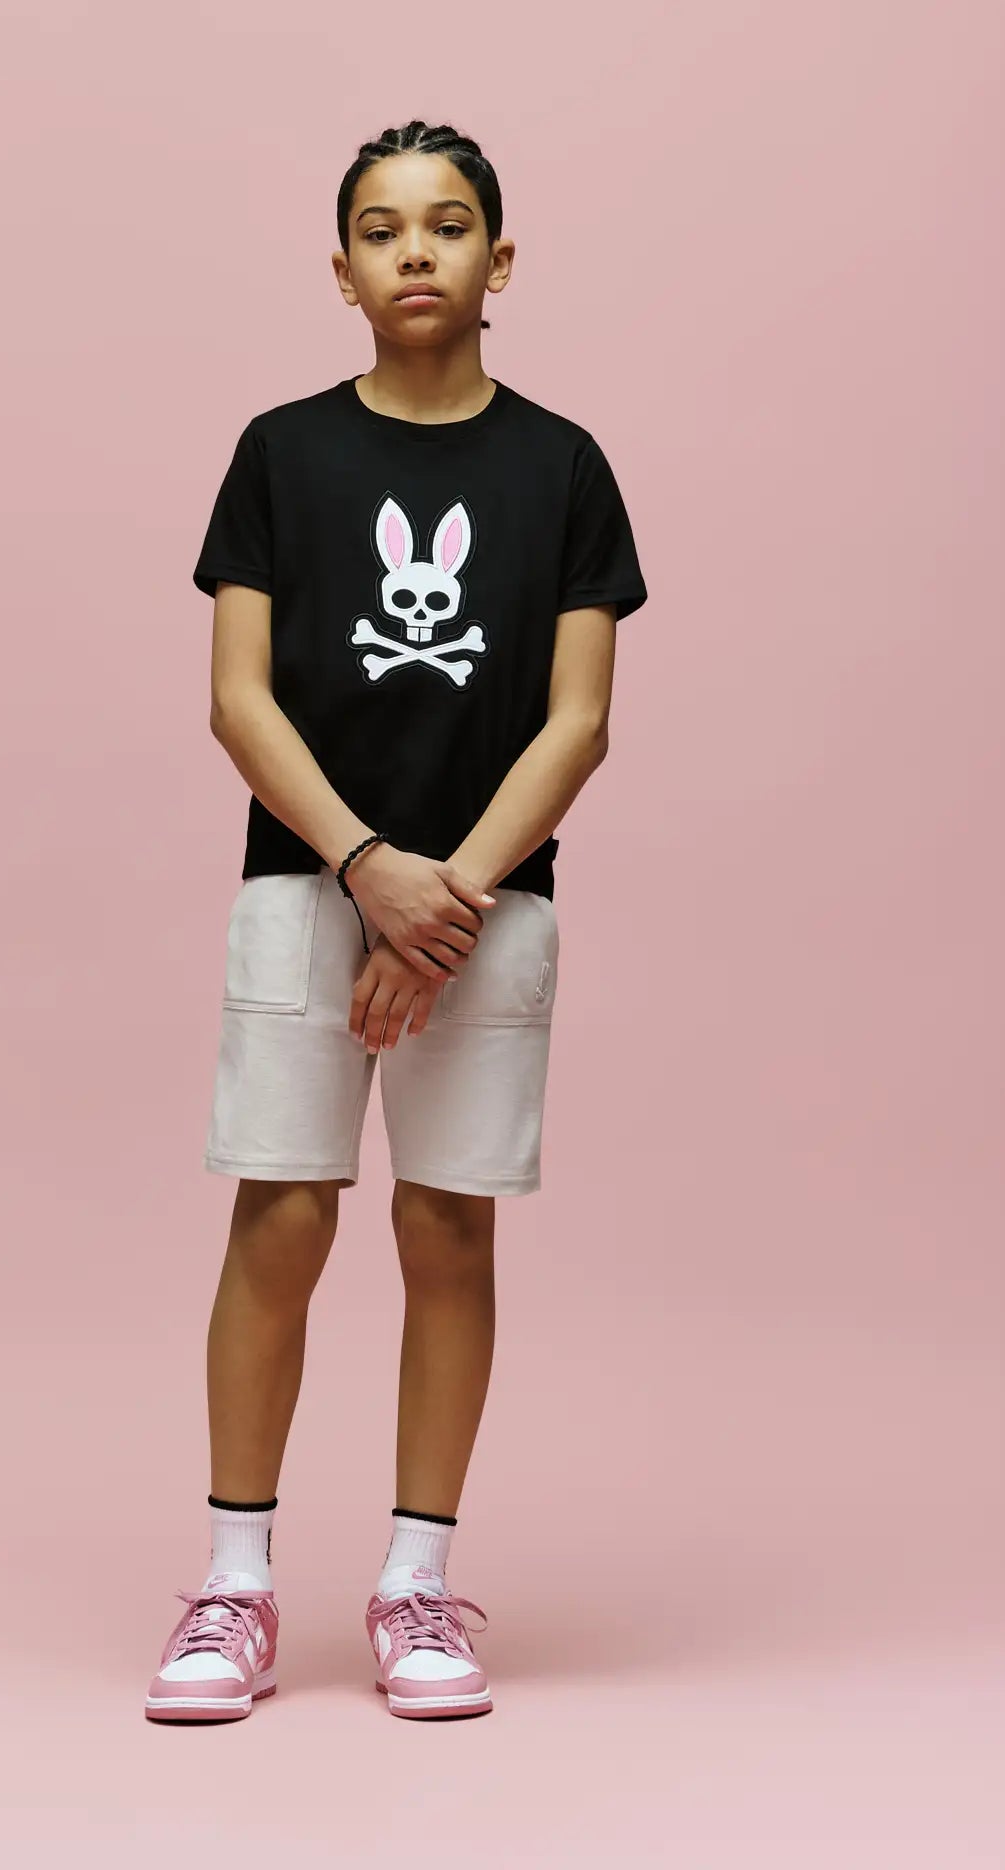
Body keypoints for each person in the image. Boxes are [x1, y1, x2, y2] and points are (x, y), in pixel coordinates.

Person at [144, 118, 647, 1724]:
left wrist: (449, 901)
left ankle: (418, 1588)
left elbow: (575, 722)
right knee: (282, 1216)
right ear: (343, 268)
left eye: (448, 225)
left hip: (489, 901)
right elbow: (238, 697)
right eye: (381, 226)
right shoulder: (281, 454)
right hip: (308, 884)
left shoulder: (561, 467)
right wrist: (368, 867)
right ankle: (233, 1586)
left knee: (447, 1228)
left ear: (501, 261)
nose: (414, 249)